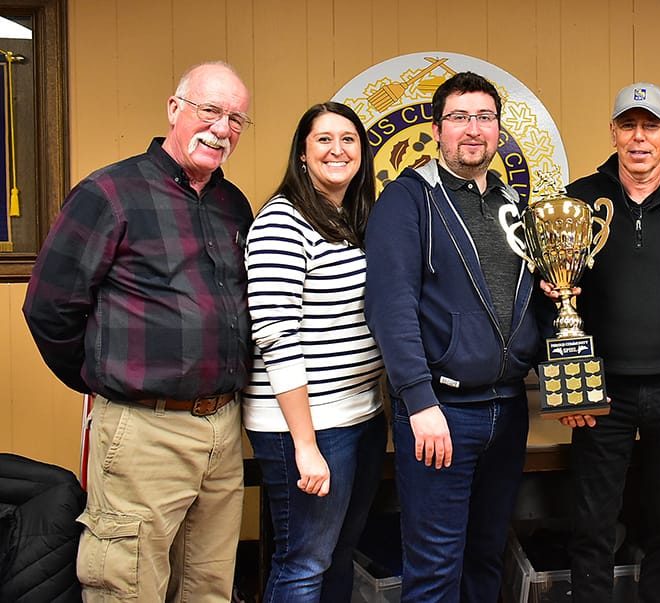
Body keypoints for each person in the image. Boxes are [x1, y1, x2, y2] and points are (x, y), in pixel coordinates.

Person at [22, 61, 253, 601]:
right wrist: (101, 377)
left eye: (237, 119)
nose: (222, 128)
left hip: (222, 427)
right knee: (127, 585)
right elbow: (49, 307)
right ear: (175, 110)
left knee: (208, 584)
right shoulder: (109, 193)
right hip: (144, 428)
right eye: (210, 111)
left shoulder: (232, 203)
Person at [365, 71, 544, 603]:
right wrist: (418, 401)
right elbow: (390, 306)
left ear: (498, 130)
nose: (474, 129)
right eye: (460, 117)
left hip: (508, 411)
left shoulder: (513, 203)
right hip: (442, 412)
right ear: (437, 130)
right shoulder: (406, 199)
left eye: (485, 118)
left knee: (486, 559)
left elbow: (535, 297)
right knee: (435, 568)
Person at [559, 82, 660, 603]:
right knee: (592, 525)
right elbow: (553, 300)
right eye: (628, 125)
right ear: (612, 133)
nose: (638, 137)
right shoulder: (578, 199)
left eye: (650, 125)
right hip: (599, 391)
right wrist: (569, 388)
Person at [241, 102, 386, 601]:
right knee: (304, 562)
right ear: (302, 153)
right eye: (323, 139)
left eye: (348, 139)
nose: (337, 149)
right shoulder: (283, 220)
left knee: (339, 553)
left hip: (359, 415)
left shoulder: (352, 218)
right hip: (306, 426)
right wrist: (305, 444)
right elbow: (275, 333)